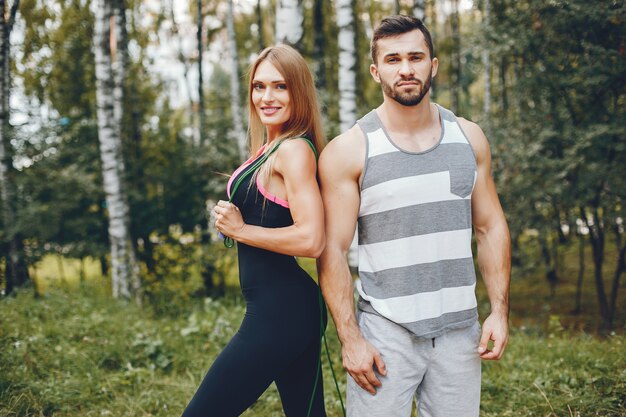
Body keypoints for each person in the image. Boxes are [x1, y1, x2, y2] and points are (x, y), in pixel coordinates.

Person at [317, 15, 511, 417]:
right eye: (392, 60)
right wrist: (350, 338)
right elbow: (332, 250)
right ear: (375, 71)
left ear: (433, 65)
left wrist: (499, 310)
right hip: (385, 335)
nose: (405, 69)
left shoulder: (469, 138)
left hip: (460, 334)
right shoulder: (349, 150)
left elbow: (490, 227)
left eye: (415, 57)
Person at [182, 44, 327, 417]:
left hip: (282, 311)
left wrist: (241, 229)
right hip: (283, 307)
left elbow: (312, 239)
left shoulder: (294, 150)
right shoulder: (269, 147)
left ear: (299, 91)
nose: (267, 97)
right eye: (259, 86)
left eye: (280, 86)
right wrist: (234, 222)